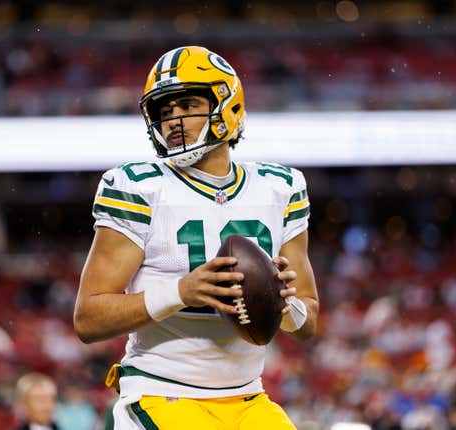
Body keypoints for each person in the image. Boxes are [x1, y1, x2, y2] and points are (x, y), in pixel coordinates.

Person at [74, 45, 319, 429]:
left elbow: (309, 324)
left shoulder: (280, 187)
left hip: (248, 396)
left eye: (187, 106)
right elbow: (88, 319)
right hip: (161, 392)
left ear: (228, 106)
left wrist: (285, 306)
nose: (174, 121)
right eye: (165, 112)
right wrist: (182, 292)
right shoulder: (138, 186)